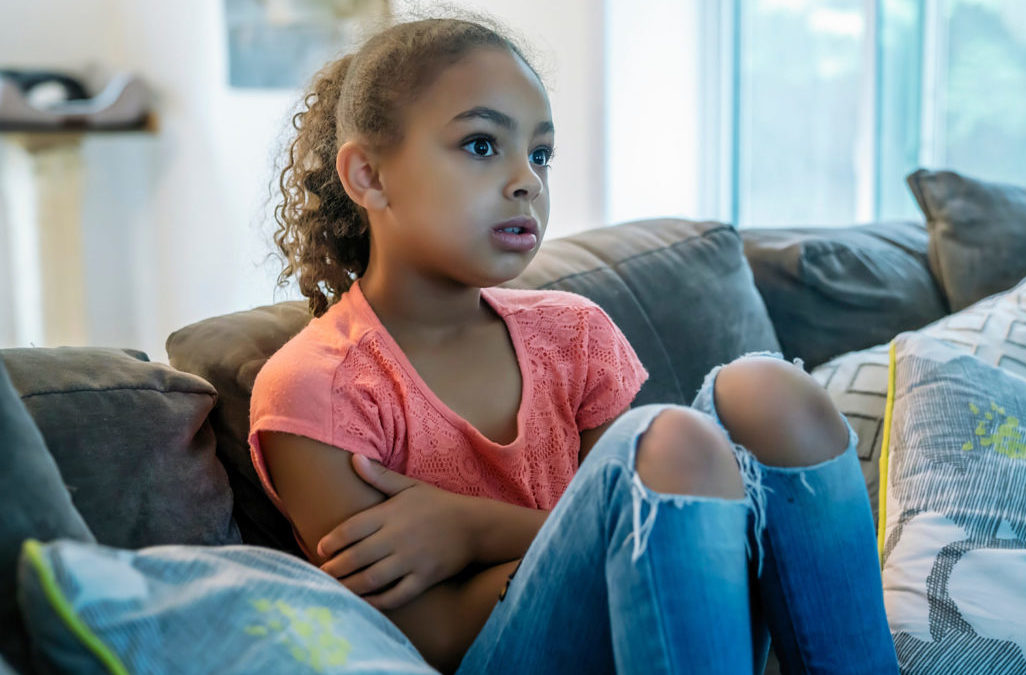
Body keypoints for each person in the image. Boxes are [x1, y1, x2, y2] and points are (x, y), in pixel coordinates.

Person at [248, 14, 897, 675]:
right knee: (669, 443)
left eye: (539, 153)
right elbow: (429, 635)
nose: (526, 180)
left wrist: (472, 527)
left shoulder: (572, 332)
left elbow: (646, 512)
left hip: (649, 621)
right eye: (479, 145)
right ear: (369, 176)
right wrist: (569, 532)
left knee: (769, 391)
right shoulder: (317, 388)